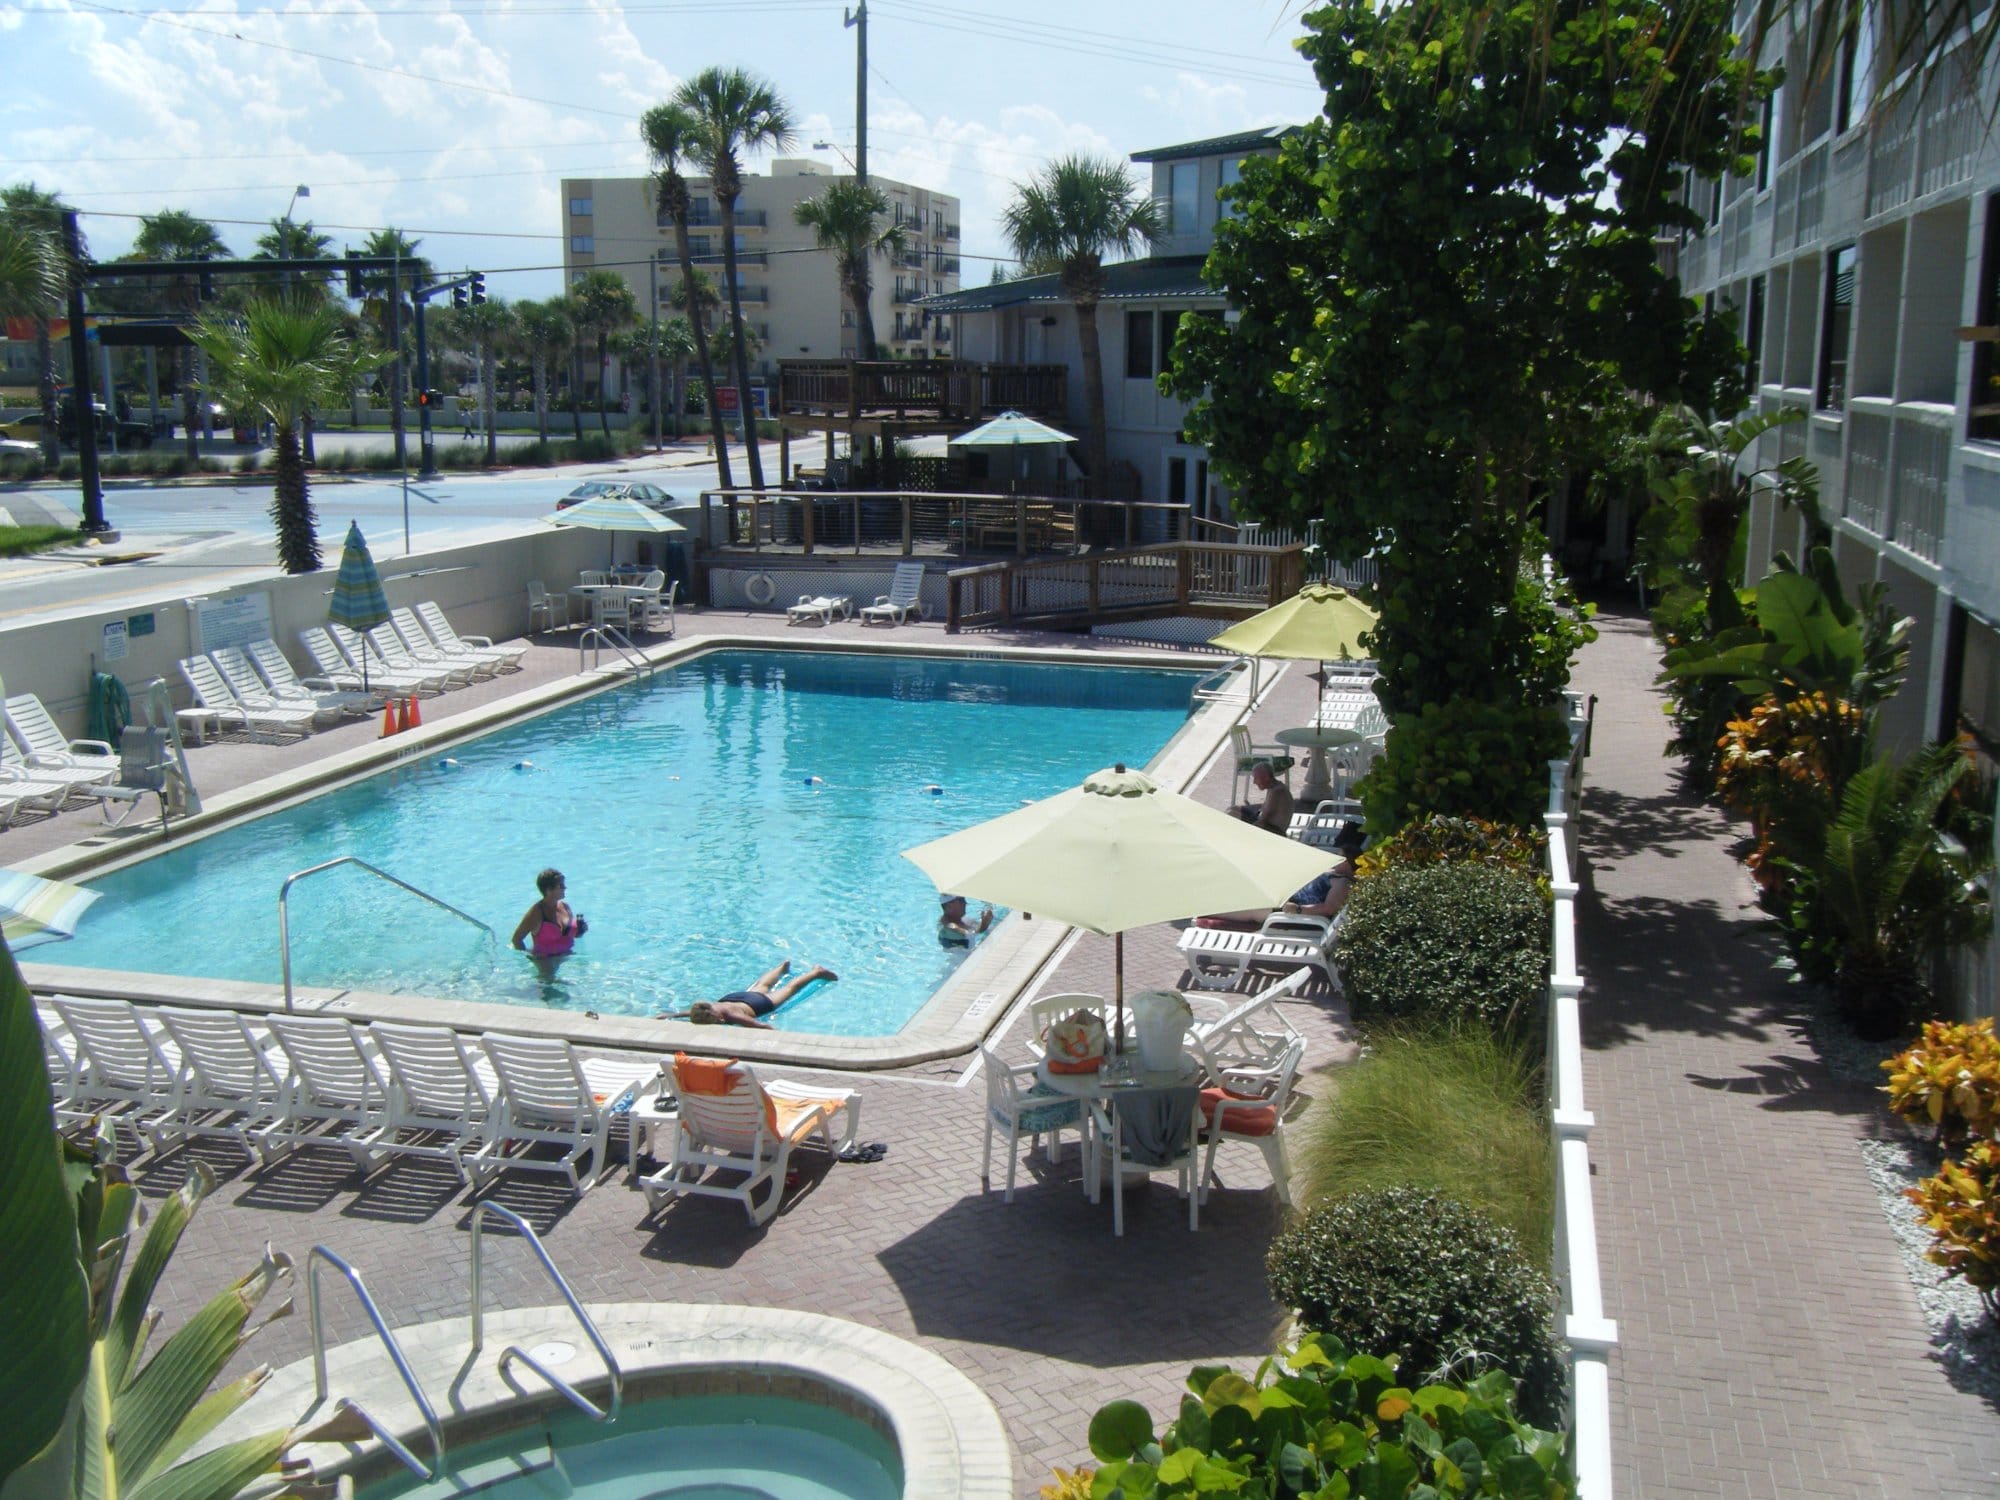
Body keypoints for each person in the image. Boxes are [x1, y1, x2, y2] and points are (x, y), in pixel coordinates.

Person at [680, 959, 838, 1029]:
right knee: (762, 985)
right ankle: (781, 968)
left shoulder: (730, 1016)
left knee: (790, 988)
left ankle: (816, 972)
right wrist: (666, 1016)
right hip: (736, 997)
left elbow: (761, 1025)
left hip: (757, 1004)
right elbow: (685, 1013)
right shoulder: (705, 1009)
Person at [511, 868, 586, 963]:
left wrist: (581, 931)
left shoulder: (565, 907)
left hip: (568, 956)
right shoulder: (537, 913)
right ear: (549, 889)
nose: (565, 888)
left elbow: (573, 935)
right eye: (561, 886)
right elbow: (516, 939)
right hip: (546, 961)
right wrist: (530, 958)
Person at [1231, 761, 1295, 835]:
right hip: (1266, 824)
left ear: (1266, 777)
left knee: (1233, 814)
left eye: (1256, 778)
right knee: (1234, 808)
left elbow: (1262, 821)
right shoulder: (1274, 786)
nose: (1254, 782)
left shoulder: (1277, 792)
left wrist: (1245, 832)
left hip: (1274, 832)